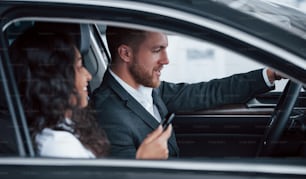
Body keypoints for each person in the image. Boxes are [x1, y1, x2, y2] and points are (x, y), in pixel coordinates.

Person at [91, 26, 283, 158]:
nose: (166, 60)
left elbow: (209, 92)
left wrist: (269, 74)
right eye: (157, 50)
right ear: (126, 54)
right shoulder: (107, 114)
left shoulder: (149, 89)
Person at [9, 25, 172, 159]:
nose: (87, 75)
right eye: (79, 67)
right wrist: (142, 162)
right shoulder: (59, 146)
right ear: (55, 80)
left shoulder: (65, 125)